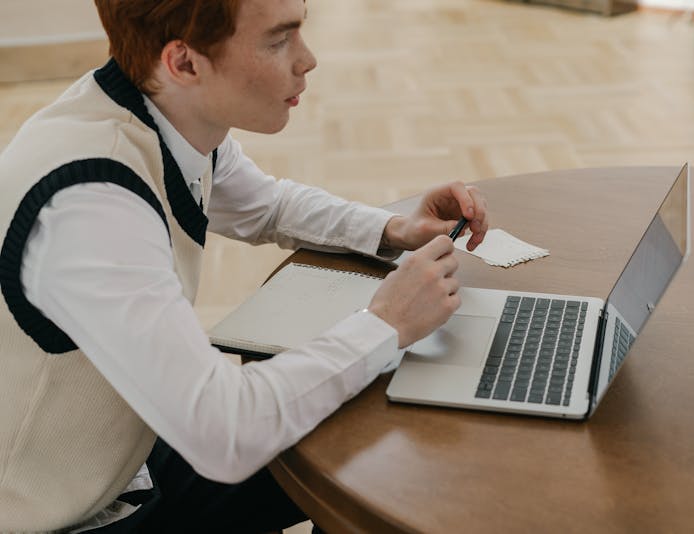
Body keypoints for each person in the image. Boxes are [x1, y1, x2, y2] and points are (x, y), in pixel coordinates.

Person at [0, 0, 489, 532]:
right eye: (279, 40)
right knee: (362, 446)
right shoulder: (92, 207)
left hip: (122, 453)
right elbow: (223, 435)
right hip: (60, 517)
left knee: (359, 436)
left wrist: (391, 229)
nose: (308, 59)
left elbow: (266, 205)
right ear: (184, 62)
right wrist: (385, 323)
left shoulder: (165, 114)